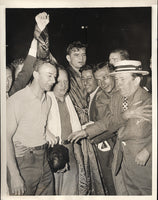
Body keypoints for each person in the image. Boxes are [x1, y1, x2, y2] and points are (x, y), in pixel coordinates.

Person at [68, 60, 152, 195]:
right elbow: (109, 122)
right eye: (117, 79)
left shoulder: (149, 101)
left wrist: (148, 150)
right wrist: (85, 132)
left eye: (122, 80)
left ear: (136, 80)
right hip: (121, 162)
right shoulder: (117, 97)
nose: (118, 84)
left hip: (143, 165)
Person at [7, 60, 57, 195]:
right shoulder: (17, 100)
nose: (54, 80)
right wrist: (15, 175)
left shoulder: (48, 100)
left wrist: (46, 131)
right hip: (24, 162)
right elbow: (5, 138)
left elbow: (36, 122)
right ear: (35, 75)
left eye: (55, 76)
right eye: (49, 75)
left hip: (44, 159)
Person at [47, 66, 84, 195]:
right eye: (59, 81)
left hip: (70, 151)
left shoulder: (68, 99)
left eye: (66, 81)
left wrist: (78, 154)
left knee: (71, 192)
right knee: (54, 191)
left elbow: (75, 129)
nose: (63, 85)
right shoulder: (46, 99)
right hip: (53, 153)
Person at [80, 64, 116, 195]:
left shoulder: (103, 96)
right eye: (83, 79)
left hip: (109, 148)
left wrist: (88, 135)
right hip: (104, 148)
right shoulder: (92, 96)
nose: (86, 82)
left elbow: (110, 125)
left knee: (113, 185)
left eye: (89, 78)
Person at [66, 41, 88, 125]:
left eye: (83, 55)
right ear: (68, 58)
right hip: (73, 120)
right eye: (76, 55)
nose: (81, 58)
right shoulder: (65, 75)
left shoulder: (89, 73)